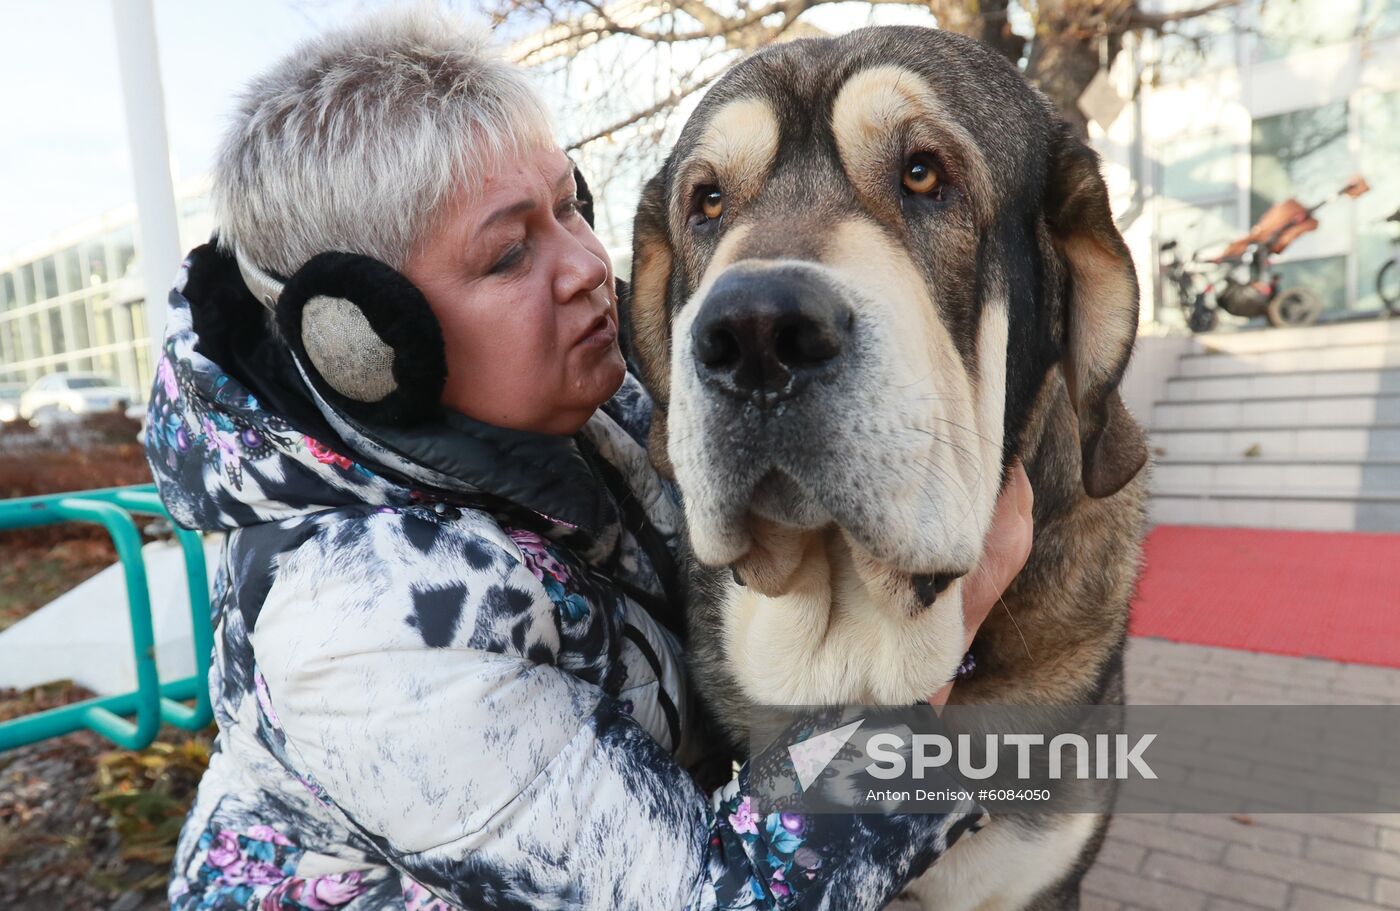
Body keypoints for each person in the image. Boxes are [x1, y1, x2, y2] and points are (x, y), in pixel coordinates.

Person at [146, 9, 1033, 910]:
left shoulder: (592, 406)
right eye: (507, 254)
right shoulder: (361, 630)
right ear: (366, 341)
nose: (583, 264)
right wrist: (942, 643)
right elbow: (713, 900)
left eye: (572, 205)